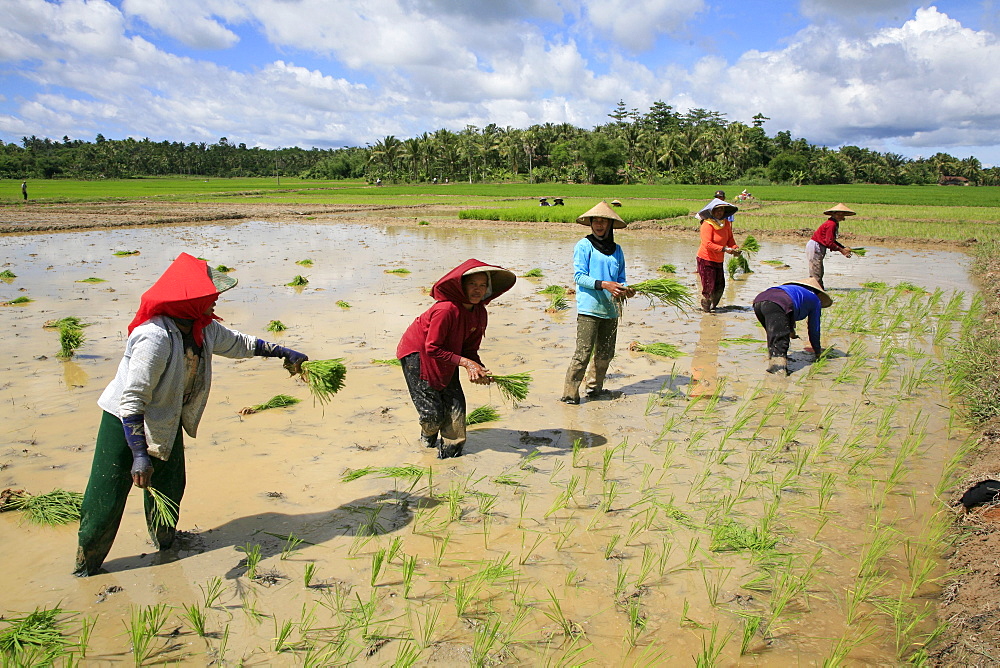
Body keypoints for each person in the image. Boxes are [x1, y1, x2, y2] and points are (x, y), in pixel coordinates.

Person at [74, 253, 309, 576]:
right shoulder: (154, 337)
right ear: (189, 302)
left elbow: (240, 344)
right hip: (125, 423)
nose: (215, 302)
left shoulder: (203, 329)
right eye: (209, 298)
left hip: (167, 420)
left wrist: (283, 352)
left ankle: (167, 549)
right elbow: (133, 399)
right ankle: (87, 565)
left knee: (169, 489)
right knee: (107, 498)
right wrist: (139, 454)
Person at [397, 259, 516, 459]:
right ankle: (427, 440)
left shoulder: (479, 312)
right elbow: (432, 347)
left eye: (482, 286)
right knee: (433, 415)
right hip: (418, 355)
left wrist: (478, 368)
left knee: (455, 407)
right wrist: (466, 363)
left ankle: (452, 459)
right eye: (472, 285)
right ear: (461, 286)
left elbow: (469, 349)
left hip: (448, 355)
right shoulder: (446, 310)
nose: (478, 290)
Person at [561, 201, 635, 404]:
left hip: (611, 309)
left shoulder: (617, 250)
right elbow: (579, 277)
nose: (599, 225)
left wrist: (625, 289)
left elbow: (621, 277)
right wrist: (604, 285)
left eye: (603, 222)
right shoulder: (584, 246)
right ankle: (570, 394)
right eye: (596, 221)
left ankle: (594, 389)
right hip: (589, 308)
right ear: (591, 224)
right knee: (583, 352)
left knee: (605, 353)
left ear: (610, 225)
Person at [752, 278, 832, 375]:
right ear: (818, 293)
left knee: (773, 335)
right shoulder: (815, 300)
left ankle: (772, 361)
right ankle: (778, 374)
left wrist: (792, 333)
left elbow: (787, 315)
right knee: (780, 342)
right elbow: (814, 328)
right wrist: (817, 351)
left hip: (759, 300)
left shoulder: (791, 291)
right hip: (778, 303)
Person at [696, 197, 741, 313]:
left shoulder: (725, 224)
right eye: (717, 210)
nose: (720, 212)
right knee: (709, 286)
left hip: (718, 260)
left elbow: (730, 239)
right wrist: (725, 249)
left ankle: (714, 307)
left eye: (722, 210)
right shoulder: (707, 224)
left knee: (720, 285)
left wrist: (735, 248)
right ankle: (706, 309)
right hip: (706, 259)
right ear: (712, 211)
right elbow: (708, 244)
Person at [807, 203, 855, 288]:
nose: (840, 216)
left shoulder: (834, 223)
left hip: (820, 245)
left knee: (819, 270)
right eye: (838, 214)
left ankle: (818, 289)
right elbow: (829, 242)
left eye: (842, 214)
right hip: (816, 246)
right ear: (833, 214)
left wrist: (843, 248)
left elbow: (831, 240)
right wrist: (842, 250)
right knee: (816, 270)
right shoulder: (831, 224)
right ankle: (816, 290)